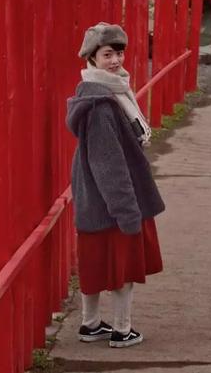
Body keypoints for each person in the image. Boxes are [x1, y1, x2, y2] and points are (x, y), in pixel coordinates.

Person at [66, 22, 165, 348]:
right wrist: (126, 210)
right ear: (91, 59)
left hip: (93, 198)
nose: (116, 61)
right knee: (123, 267)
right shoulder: (102, 105)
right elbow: (109, 163)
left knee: (95, 262)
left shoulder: (103, 95)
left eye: (118, 53)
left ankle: (90, 324)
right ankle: (123, 330)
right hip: (113, 199)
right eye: (107, 54)